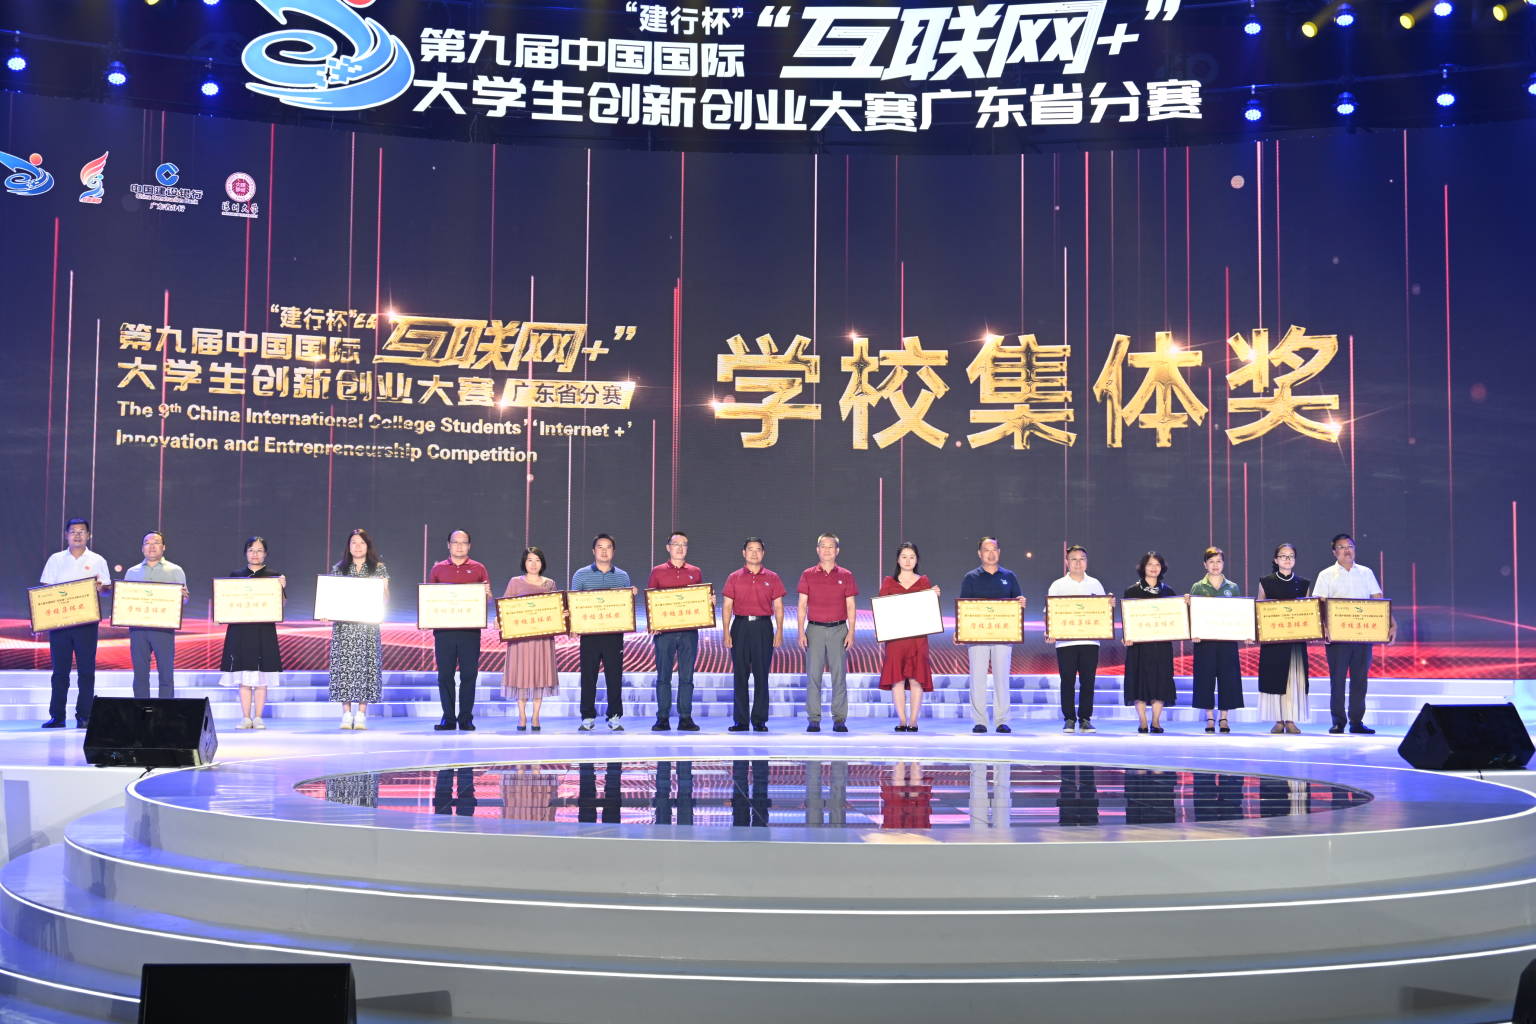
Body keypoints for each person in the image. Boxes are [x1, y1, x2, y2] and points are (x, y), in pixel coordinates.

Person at [1312, 533, 1393, 735]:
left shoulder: (1366, 572)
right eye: (1341, 547)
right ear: (1334, 552)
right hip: (1337, 637)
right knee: (1337, 680)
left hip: (1363, 636)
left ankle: (1356, 722)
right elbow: (1319, 604)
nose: (1346, 550)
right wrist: (1324, 628)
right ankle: (1338, 722)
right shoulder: (1326, 575)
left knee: (1360, 680)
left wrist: (1391, 623)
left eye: (1350, 546)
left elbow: (1378, 600)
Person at [38, 518, 112, 728]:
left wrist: (102, 589)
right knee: (60, 672)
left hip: (87, 623)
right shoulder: (55, 559)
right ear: (66, 535)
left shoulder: (98, 560)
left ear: (88, 535)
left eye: (81, 531)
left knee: (86, 671)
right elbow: (45, 590)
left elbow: (107, 590)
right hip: (60, 624)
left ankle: (85, 716)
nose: (77, 535)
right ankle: (57, 716)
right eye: (73, 531)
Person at [959, 537, 1026, 734]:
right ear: (979, 553)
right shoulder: (970, 578)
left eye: (994, 549)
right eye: (986, 550)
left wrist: (1021, 603)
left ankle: (1001, 721)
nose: (990, 553)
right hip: (977, 636)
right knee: (977, 678)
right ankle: (979, 721)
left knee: (1002, 679)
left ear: (999, 552)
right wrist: (960, 631)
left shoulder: (1009, 576)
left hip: (1003, 635)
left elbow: (1017, 603)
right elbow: (964, 608)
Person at [428, 529, 492, 732]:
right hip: (444, 631)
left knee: (469, 675)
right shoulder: (438, 569)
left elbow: (486, 599)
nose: (459, 546)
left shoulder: (479, 568)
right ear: (448, 545)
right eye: (455, 542)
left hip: (469, 631)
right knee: (445, 675)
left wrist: (486, 595)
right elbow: (430, 599)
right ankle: (448, 718)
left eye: (463, 542)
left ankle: (465, 718)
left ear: (469, 546)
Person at [570, 533, 635, 731]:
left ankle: (614, 716)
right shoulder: (581, 575)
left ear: (613, 551)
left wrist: (630, 597)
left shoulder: (622, 576)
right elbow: (573, 604)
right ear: (593, 551)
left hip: (613, 636)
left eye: (608, 547)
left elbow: (625, 607)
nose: (604, 551)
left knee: (614, 676)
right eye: (600, 547)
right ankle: (587, 717)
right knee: (588, 676)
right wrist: (573, 625)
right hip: (589, 635)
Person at [218, 536, 285, 729]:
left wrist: (281, 588)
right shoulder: (236, 575)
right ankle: (246, 717)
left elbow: (281, 606)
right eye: (251, 550)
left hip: (264, 631)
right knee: (244, 676)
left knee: (262, 677)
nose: (255, 554)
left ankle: (258, 717)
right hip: (240, 631)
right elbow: (226, 601)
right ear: (245, 553)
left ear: (265, 554)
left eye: (259, 550)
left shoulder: (273, 576)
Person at [797, 532, 858, 733]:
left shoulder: (846, 575)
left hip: (839, 629)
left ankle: (839, 719)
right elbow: (802, 605)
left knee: (838, 677)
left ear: (837, 550)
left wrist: (851, 632)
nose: (827, 550)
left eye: (831, 546)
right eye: (823, 546)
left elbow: (851, 606)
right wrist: (801, 631)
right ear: (817, 550)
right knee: (813, 676)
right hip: (814, 629)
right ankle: (814, 719)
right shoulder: (808, 574)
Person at [722, 536, 785, 733]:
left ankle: (759, 720)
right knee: (740, 675)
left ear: (763, 553)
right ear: (744, 553)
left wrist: (779, 631)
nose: (754, 553)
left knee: (761, 675)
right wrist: (726, 632)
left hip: (763, 627)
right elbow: (727, 606)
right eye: (750, 549)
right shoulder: (734, 577)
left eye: (758, 549)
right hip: (740, 627)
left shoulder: (772, 577)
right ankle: (740, 721)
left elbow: (778, 607)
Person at [328, 528, 388, 731]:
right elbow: (331, 598)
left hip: (367, 627)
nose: (358, 546)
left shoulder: (378, 569)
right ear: (348, 546)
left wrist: (382, 588)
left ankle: (361, 713)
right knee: (344, 669)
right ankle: (346, 714)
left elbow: (385, 598)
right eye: (354, 542)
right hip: (344, 628)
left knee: (366, 667)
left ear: (368, 546)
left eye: (362, 542)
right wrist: (326, 610)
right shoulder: (339, 569)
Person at [1045, 544, 1108, 734]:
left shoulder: (1095, 584)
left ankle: (1085, 719)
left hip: (1090, 641)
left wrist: (1109, 604)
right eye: (1074, 559)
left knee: (1088, 681)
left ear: (1086, 562)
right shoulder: (1058, 585)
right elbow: (1049, 612)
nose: (1078, 563)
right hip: (1066, 642)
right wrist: (1050, 631)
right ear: (1067, 562)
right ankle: (1069, 719)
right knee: (1067, 681)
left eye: (1082, 559)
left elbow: (1103, 612)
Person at [646, 531, 703, 732]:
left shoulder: (695, 572)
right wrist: (653, 624)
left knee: (687, 676)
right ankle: (662, 718)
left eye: (684, 544)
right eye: (676, 544)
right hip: (665, 633)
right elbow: (651, 600)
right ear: (668, 547)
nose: (680, 548)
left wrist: (709, 602)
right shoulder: (657, 571)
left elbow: (700, 600)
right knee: (664, 676)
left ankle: (685, 717)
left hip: (689, 631)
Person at [877, 543, 937, 732]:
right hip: (896, 639)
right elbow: (882, 610)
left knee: (916, 678)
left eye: (912, 557)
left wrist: (933, 597)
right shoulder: (888, 582)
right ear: (898, 560)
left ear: (917, 560)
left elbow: (928, 611)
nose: (908, 560)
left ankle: (913, 721)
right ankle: (902, 720)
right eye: (904, 556)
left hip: (917, 638)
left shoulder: (924, 582)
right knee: (897, 679)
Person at [123, 530, 188, 700]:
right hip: (138, 629)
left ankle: (165, 711)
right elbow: (125, 600)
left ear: (164, 547)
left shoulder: (175, 570)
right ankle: (141, 710)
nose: (151, 546)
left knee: (166, 673)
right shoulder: (132, 572)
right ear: (142, 548)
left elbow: (184, 600)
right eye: (147, 543)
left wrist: (184, 597)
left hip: (163, 629)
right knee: (140, 674)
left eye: (156, 542)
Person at [502, 546, 559, 732]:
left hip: (542, 640)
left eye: (537, 560)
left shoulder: (549, 584)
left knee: (538, 675)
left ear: (542, 563)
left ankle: (535, 716)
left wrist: (562, 614)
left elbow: (556, 609)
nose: (533, 564)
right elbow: (505, 609)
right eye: (529, 560)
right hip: (520, 641)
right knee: (521, 675)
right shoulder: (515, 582)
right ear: (524, 563)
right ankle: (522, 716)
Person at [1258, 543, 1312, 735]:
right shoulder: (1266, 582)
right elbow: (1260, 610)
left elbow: (1308, 612)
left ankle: (1290, 720)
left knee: (1294, 680)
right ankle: (1278, 721)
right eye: (1283, 556)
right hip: (1273, 641)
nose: (1287, 559)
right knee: (1274, 678)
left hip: (1295, 642)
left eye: (1291, 556)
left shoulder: (1303, 583)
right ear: (1276, 560)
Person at [1190, 546, 1245, 733]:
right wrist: (1194, 632)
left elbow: (1239, 614)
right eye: (1211, 561)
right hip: (1204, 641)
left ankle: (1223, 718)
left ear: (1223, 564)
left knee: (1228, 678)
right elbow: (1193, 614)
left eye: (1219, 561)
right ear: (1205, 564)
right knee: (1205, 678)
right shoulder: (1198, 587)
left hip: (1227, 640)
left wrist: (1244, 632)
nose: (1215, 565)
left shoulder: (1233, 587)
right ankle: (1209, 718)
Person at [1122, 551, 1176, 734]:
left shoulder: (1169, 592)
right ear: (1143, 567)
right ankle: (1143, 721)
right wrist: (1127, 635)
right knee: (1139, 681)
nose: (1154, 568)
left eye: (1157, 564)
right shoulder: (1132, 591)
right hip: (1138, 646)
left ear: (1162, 568)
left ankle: (1156, 721)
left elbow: (1175, 619)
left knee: (1161, 682)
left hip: (1162, 646)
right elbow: (1128, 619)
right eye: (1150, 564)